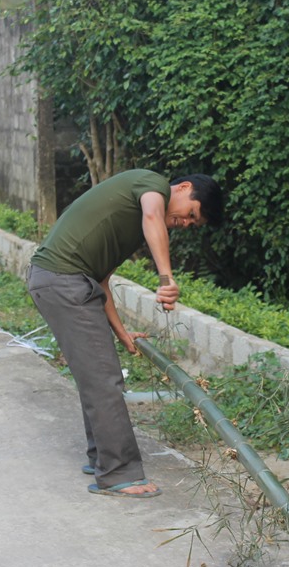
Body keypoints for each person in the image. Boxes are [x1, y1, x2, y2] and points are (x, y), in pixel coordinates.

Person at [27, 169, 224, 498]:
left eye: (193, 224)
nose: (187, 224)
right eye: (191, 214)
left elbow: (101, 280)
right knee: (103, 379)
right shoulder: (153, 185)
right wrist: (165, 280)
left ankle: (102, 458)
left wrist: (122, 334)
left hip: (72, 282)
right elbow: (152, 214)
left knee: (98, 375)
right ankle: (118, 473)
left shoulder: (133, 226)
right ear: (184, 188)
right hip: (63, 280)